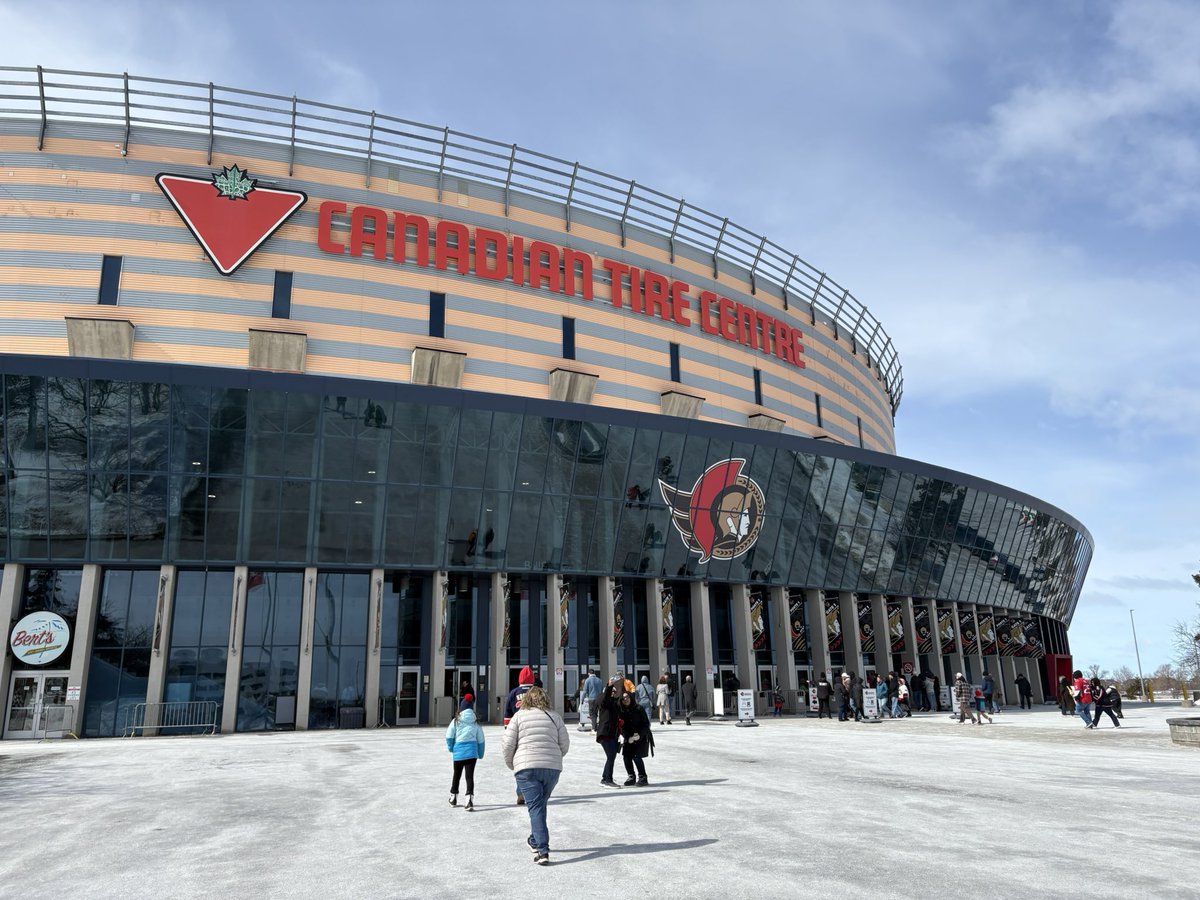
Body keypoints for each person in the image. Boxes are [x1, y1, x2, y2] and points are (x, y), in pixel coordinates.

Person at [502, 685, 570, 866]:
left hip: (526, 768)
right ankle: (534, 839)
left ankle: (542, 850)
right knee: (539, 805)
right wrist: (553, 759)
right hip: (552, 769)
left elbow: (508, 744)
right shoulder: (555, 716)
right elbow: (565, 744)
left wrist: (513, 764)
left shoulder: (518, 716)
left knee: (536, 808)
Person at [445, 694, 485, 811]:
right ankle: (469, 800)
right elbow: (481, 740)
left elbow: (449, 736)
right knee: (469, 777)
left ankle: (453, 797)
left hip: (458, 753)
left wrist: (451, 748)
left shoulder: (455, 721)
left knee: (456, 775)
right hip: (472, 753)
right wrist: (480, 753)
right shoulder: (475, 722)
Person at [504, 666, 537, 806]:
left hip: (518, 733)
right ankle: (535, 790)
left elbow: (507, 715)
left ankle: (521, 792)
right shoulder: (538, 692)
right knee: (536, 762)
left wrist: (508, 731)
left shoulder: (513, 693)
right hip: (535, 732)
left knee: (520, 763)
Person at [618, 690, 653, 786]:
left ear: (630, 697)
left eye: (627, 697)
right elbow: (622, 726)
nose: (625, 699)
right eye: (623, 698)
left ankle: (643, 777)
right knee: (626, 757)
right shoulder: (621, 711)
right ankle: (631, 776)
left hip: (640, 737)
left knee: (637, 757)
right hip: (628, 738)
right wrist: (627, 737)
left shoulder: (639, 708)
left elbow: (646, 724)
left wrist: (639, 735)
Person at [595, 681, 622, 787]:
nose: (614, 693)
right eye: (612, 691)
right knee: (611, 755)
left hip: (612, 734)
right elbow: (606, 697)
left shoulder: (613, 703)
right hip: (604, 733)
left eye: (614, 691)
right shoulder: (603, 700)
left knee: (612, 755)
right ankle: (607, 780)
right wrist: (610, 686)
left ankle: (605, 778)